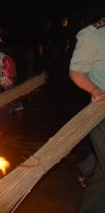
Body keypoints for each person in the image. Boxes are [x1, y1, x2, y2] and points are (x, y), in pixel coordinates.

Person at [69, 17, 105, 213]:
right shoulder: (94, 33)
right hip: (103, 116)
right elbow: (76, 71)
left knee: (101, 176)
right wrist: (94, 89)